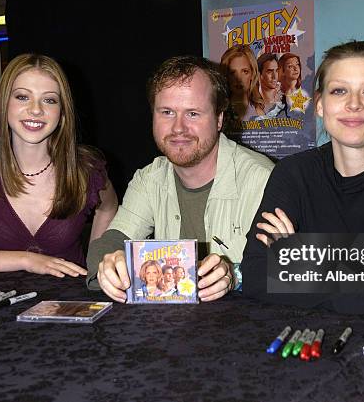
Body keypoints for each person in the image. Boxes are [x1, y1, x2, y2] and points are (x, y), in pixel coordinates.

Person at [241, 41, 364, 314]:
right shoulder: (293, 173)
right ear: (321, 104)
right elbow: (255, 276)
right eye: (339, 91)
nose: (353, 104)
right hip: (310, 339)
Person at [87, 55, 274, 302]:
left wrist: (235, 275)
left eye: (193, 113)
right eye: (167, 112)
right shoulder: (149, 179)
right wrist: (110, 263)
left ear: (219, 119)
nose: (178, 128)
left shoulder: (264, 179)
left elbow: (296, 272)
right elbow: (108, 244)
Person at [0, 54, 118, 277]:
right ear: (3, 104)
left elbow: (108, 208)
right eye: (22, 97)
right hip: (2, 305)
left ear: (62, 112)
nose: (36, 109)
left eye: (49, 100)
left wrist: (96, 267)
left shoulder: (87, 170)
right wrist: (27, 260)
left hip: (69, 304)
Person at [220, 45, 265, 120]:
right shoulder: (218, 113)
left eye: (245, 71)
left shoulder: (259, 115)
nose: (239, 79)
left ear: (252, 74)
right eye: (233, 72)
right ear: (226, 75)